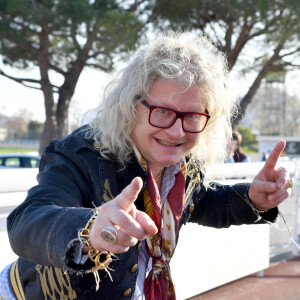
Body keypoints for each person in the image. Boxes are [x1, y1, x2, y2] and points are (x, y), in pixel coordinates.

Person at [0, 31, 293, 300]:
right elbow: (28, 220)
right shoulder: (81, 154)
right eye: (163, 111)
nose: (177, 132)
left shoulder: (184, 164)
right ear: (130, 105)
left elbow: (199, 202)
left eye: (192, 116)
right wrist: (89, 230)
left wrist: (253, 199)